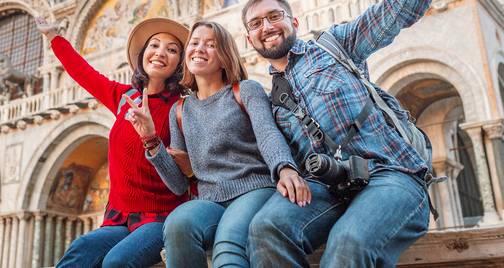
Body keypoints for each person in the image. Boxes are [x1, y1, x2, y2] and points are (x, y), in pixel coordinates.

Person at [243, 0, 471, 268]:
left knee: (349, 242)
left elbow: (401, 7)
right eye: (256, 23)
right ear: (249, 38)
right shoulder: (270, 102)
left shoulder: (336, 46)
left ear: (293, 20)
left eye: (274, 16)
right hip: (329, 191)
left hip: (392, 176)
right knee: (266, 229)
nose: (267, 27)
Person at [123, 21, 310, 268]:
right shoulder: (180, 109)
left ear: (224, 58)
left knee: (228, 244)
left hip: (254, 190)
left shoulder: (245, 90)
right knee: (178, 224)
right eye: (194, 43)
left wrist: (284, 167)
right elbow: (179, 185)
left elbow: (268, 134)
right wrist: (150, 139)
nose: (199, 49)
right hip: (210, 201)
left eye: (210, 45)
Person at [35, 16, 192, 268]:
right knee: (80, 251)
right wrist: (55, 38)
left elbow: (182, 178)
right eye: (154, 45)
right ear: (143, 54)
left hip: (161, 218)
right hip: (119, 217)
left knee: (117, 262)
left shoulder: (183, 108)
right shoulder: (123, 97)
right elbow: (84, 74)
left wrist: (150, 137)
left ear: (180, 64)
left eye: (171, 50)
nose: (160, 53)